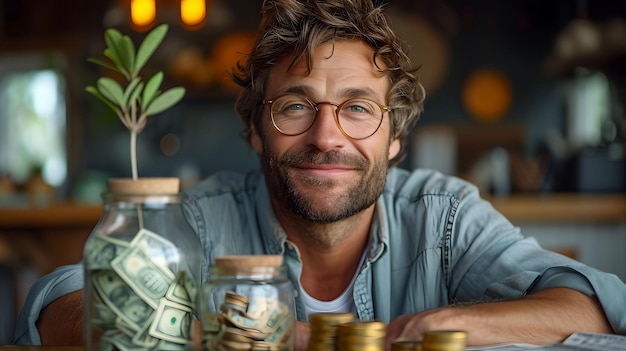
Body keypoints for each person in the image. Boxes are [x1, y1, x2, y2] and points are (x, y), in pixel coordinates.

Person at [12, 0, 626, 350]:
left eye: (358, 108)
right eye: (296, 106)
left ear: (394, 139)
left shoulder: (444, 216)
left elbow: (596, 310)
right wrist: (291, 337)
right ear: (256, 128)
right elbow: (62, 309)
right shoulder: (197, 219)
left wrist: (444, 323)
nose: (326, 136)